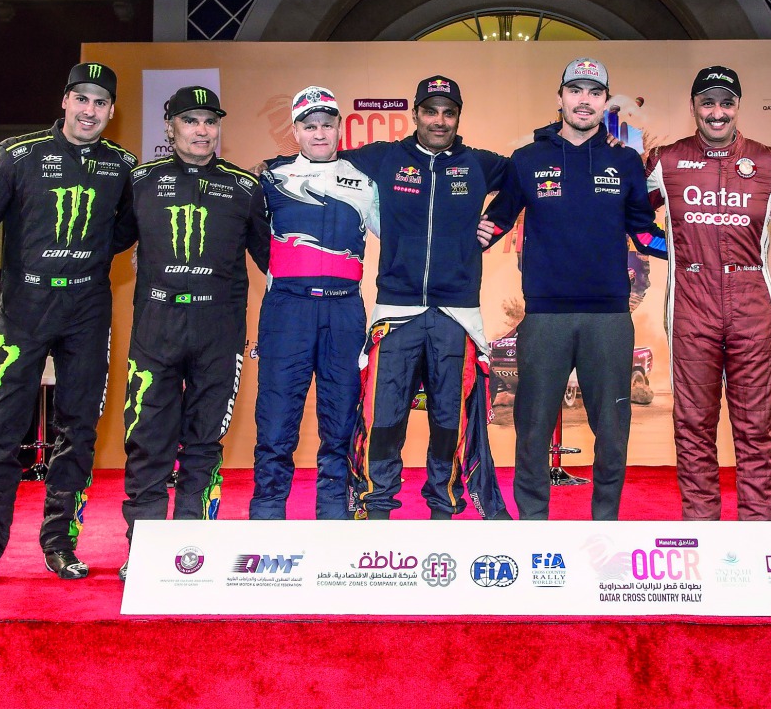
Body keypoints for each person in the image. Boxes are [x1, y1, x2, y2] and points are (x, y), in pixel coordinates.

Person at [0, 62, 135, 592]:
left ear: (111, 111)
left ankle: (60, 544)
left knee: (78, 431)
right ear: (65, 100)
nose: (90, 110)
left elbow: (124, 229)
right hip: (22, 309)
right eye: (82, 99)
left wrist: (88, 256)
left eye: (101, 103)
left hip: (89, 310)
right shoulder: (18, 152)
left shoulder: (122, 165)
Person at [483, 58, 667, 520]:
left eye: (594, 92)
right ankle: (532, 525)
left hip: (609, 318)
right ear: (560, 97)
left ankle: (605, 521)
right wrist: (450, 239)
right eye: (575, 90)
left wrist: (694, 245)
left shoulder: (625, 162)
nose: (584, 100)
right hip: (544, 317)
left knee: (612, 430)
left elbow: (645, 233)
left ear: (606, 101)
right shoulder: (528, 160)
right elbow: (495, 221)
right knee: (532, 428)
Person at [340, 75, 509, 520]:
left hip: (456, 311)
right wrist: (277, 163)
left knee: (449, 420)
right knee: (385, 415)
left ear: (457, 117)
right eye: (430, 110)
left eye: (448, 112)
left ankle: (443, 508)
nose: (439, 120)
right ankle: (377, 507)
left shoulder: (478, 163)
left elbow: (526, 178)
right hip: (397, 309)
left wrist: (496, 223)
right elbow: (325, 161)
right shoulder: (385, 158)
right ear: (414, 113)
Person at [644, 65, 771, 521]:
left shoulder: (770, 161)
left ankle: (758, 532)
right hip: (691, 306)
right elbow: (627, 219)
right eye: (708, 102)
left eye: (726, 103)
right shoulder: (666, 160)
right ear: (694, 106)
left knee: (757, 427)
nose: (717, 113)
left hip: (752, 305)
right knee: (693, 425)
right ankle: (702, 530)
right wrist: (673, 249)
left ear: (738, 106)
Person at [119, 86, 269, 576]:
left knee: (205, 441)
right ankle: (142, 549)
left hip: (219, 330)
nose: (202, 130)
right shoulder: (140, 181)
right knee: (147, 439)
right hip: (156, 327)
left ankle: (192, 548)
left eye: (210, 121)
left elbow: (274, 261)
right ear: (170, 127)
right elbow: (104, 241)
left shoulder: (245, 186)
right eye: (191, 121)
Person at [250, 86, 377, 520]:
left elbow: (406, 235)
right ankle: (266, 518)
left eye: (327, 124)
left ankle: (333, 518)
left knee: (341, 420)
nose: (319, 133)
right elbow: (238, 232)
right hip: (288, 309)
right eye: (309, 125)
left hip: (345, 310)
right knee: (276, 420)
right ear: (296, 130)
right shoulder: (268, 178)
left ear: (340, 127)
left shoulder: (365, 180)